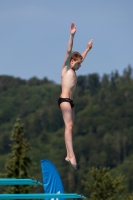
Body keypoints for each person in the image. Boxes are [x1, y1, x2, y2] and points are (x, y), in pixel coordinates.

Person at [58, 23, 93, 169]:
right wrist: (72, 35)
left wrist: (87, 49)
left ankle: (68, 154)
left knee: (70, 127)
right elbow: (69, 50)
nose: (79, 66)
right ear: (72, 61)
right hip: (65, 100)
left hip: (71, 102)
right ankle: (71, 155)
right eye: (78, 64)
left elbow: (81, 58)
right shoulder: (66, 68)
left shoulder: (75, 67)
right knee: (69, 126)